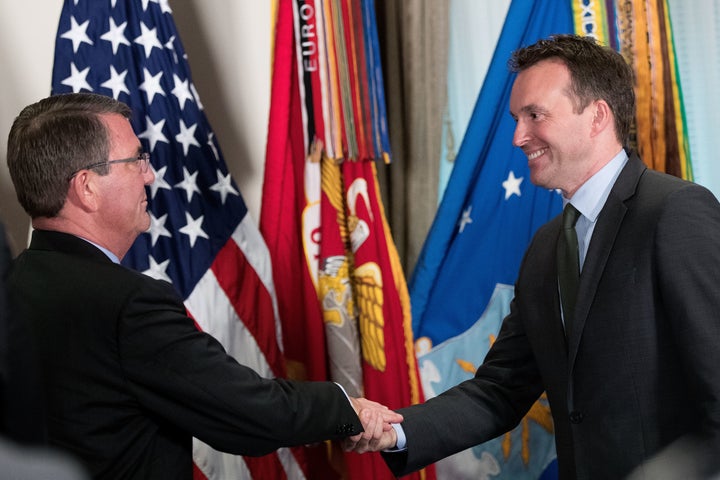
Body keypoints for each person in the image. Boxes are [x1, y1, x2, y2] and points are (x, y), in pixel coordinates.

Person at [346, 34, 720, 479]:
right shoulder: (546, 246)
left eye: (534, 115)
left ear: (597, 116)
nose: (518, 136)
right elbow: (499, 390)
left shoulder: (675, 211)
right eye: (515, 118)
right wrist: (395, 431)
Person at [5, 92, 401, 479]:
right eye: (135, 161)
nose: (150, 174)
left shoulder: (13, 288)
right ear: (87, 187)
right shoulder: (127, 304)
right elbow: (245, 413)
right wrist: (347, 408)